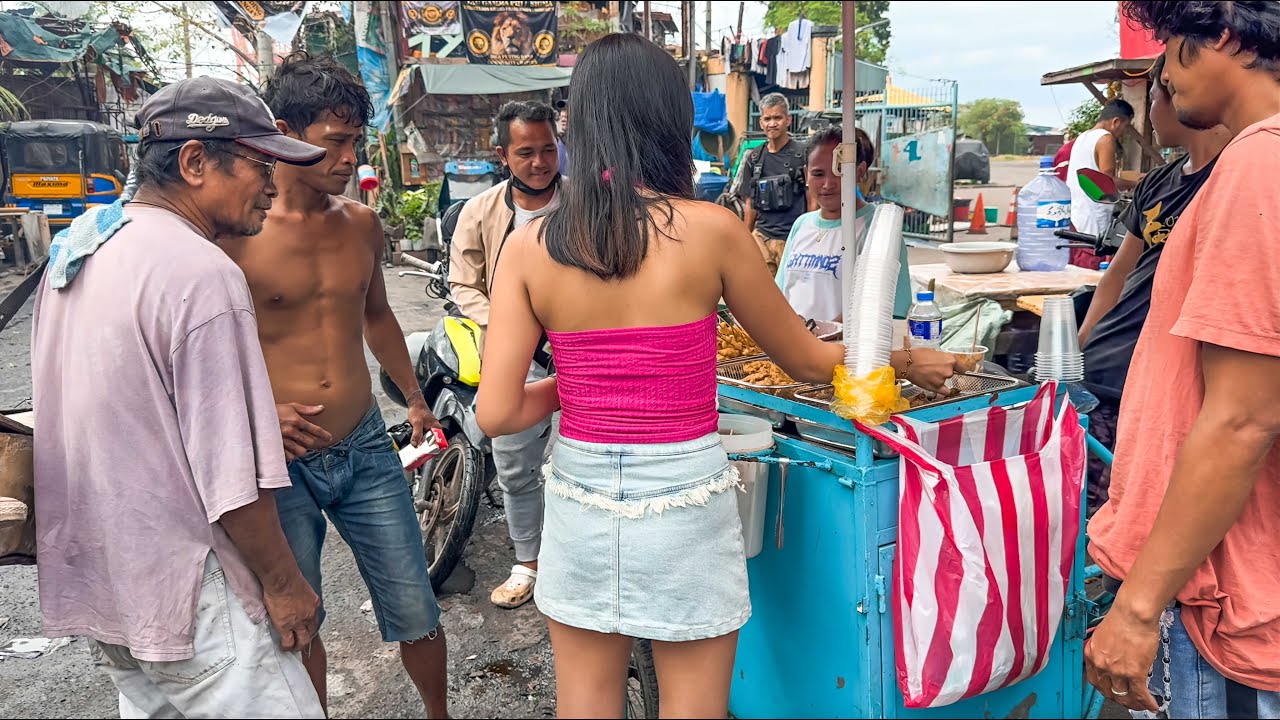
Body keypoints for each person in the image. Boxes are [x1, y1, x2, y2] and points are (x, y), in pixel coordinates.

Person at [474, 33, 959, 719]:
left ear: (578, 123)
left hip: (581, 495)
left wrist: (582, 383)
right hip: (683, 498)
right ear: (670, 122)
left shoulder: (528, 245)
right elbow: (809, 360)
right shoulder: (713, 230)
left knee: (584, 705)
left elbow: (495, 413)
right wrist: (905, 358)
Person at [30, 76, 327, 718]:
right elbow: (230, 477)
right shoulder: (201, 273)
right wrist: (284, 584)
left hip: (109, 583)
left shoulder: (80, 248)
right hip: (193, 593)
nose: (274, 186)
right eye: (260, 164)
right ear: (194, 162)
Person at [222, 53, 449, 718]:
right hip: (279, 461)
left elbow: (376, 315)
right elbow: (204, 351)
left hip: (364, 445)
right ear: (285, 132)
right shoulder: (237, 237)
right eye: (335, 142)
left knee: (417, 607)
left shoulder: (360, 225)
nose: (350, 158)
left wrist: (412, 398)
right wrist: (258, 410)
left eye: (356, 142)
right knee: (301, 618)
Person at [1086, 2, 1280, 717]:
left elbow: (1242, 420)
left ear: (1223, 33)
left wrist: (1137, 608)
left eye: (1168, 46)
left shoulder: (1261, 162)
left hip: (1227, 600)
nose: (1163, 71)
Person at [1076, 55, 1232, 514]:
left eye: (1158, 95)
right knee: (1096, 511)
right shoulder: (1160, 182)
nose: (1149, 111)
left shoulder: (1238, 175)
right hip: (1105, 368)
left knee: (1144, 510)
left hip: (1167, 381)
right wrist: (1082, 345)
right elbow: (1119, 274)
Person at [449, 100, 562, 610]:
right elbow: (463, 285)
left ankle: (569, 560)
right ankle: (527, 563)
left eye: (547, 149)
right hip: (512, 357)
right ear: (502, 155)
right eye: (525, 153)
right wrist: (509, 324)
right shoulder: (479, 212)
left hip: (574, 355)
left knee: (571, 463)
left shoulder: (585, 204)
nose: (539, 162)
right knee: (515, 465)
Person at [775, 126, 913, 325]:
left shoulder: (878, 229)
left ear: (860, 172)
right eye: (818, 174)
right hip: (794, 347)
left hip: (847, 351)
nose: (828, 183)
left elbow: (887, 308)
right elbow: (781, 293)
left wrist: (824, 332)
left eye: (839, 172)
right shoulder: (802, 224)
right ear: (806, 174)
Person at [743, 92, 809, 275]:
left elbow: (812, 200)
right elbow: (750, 203)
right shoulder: (754, 158)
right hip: (760, 238)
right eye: (768, 118)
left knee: (790, 295)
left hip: (792, 239)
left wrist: (810, 236)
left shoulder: (802, 154)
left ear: (788, 120)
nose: (772, 123)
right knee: (759, 294)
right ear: (761, 123)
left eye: (778, 118)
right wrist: (745, 238)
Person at [555, 98, 570, 178]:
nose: (564, 114)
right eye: (563, 110)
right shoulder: (556, 141)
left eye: (567, 110)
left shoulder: (583, 143)